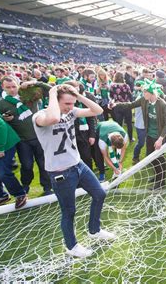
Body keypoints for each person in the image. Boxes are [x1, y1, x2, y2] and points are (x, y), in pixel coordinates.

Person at [32, 84, 115, 258]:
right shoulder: (39, 116)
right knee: (69, 211)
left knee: (100, 194)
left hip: (78, 165)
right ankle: (72, 246)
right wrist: (53, 93)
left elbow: (97, 110)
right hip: (60, 172)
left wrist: (77, 95)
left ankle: (94, 230)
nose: (70, 107)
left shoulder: (72, 111)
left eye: (72, 103)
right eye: (66, 104)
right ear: (54, 100)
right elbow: (54, 118)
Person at [0, 77, 52, 195]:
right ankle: (25, 185)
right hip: (22, 140)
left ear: (18, 84)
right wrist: (5, 119)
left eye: (14, 86)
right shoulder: (0, 103)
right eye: (8, 87)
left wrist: (34, 82)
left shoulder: (27, 93)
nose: (11, 90)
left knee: (43, 163)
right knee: (26, 165)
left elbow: (51, 90)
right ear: (2, 87)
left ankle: (47, 187)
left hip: (40, 135)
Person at [113, 80, 166, 189]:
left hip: (159, 136)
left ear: (152, 93)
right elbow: (130, 105)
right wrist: (116, 104)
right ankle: (158, 176)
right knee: (150, 157)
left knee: (159, 158)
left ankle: (161, 181)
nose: (143, 94)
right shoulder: (144, 101)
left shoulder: (162, 104)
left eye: (145, 92)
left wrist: (160, 139)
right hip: (149, 134)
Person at [0, 104, 27, 209]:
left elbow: (0, 125)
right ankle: (0, 196)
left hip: (3, 144)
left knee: (2, 173)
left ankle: (20, 194)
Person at [110, 72, 133, 141]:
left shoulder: (112, 86)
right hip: (126, 105)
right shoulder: (126, 86)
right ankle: (130, 138)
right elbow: (130, 96)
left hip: (117, 106)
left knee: (119, 124)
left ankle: (119, 139)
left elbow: (111, 96)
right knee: (129, 123)